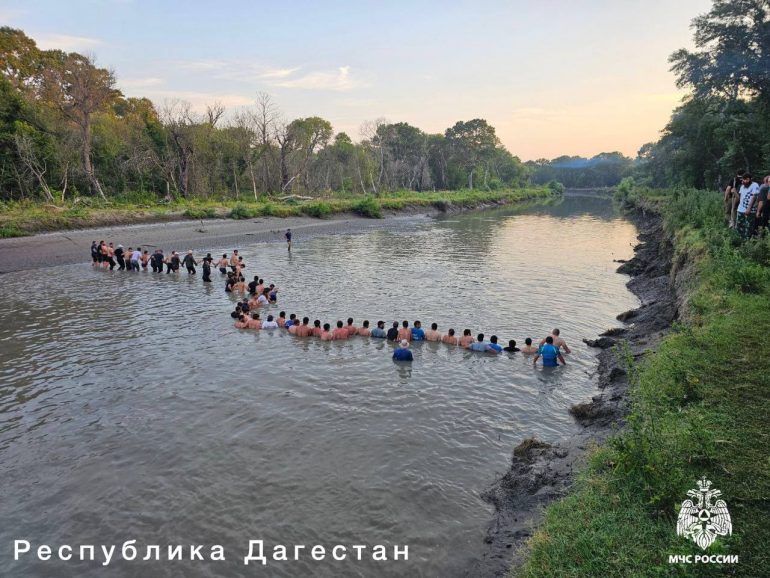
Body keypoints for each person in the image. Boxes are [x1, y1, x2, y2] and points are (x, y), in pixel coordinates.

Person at [736, 173, 760, 239]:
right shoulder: (742, 186)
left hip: (750, 211)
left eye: (743, 180)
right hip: (740, 209)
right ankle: (740, 241)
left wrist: (749, 208)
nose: (742, 181)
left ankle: (747, 243)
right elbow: (741, 197)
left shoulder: (754, 185)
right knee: (739, 226)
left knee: (748, 227)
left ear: (748, 179)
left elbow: (754, 196)